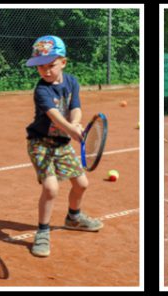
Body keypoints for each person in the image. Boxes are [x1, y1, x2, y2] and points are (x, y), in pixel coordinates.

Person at [24, 35, 103, 258]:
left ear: (63, 62)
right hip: (40, 143)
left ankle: (74, 217)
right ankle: (42, 232)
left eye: (51, 65)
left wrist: (76, 123)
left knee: (82, 184)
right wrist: (71, 129)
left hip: (62, 145)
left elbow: (75, 107)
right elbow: (55, 116)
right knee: (51, 188)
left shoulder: (72, 82)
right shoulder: (42, 90)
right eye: (40, 67)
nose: (45, 71)